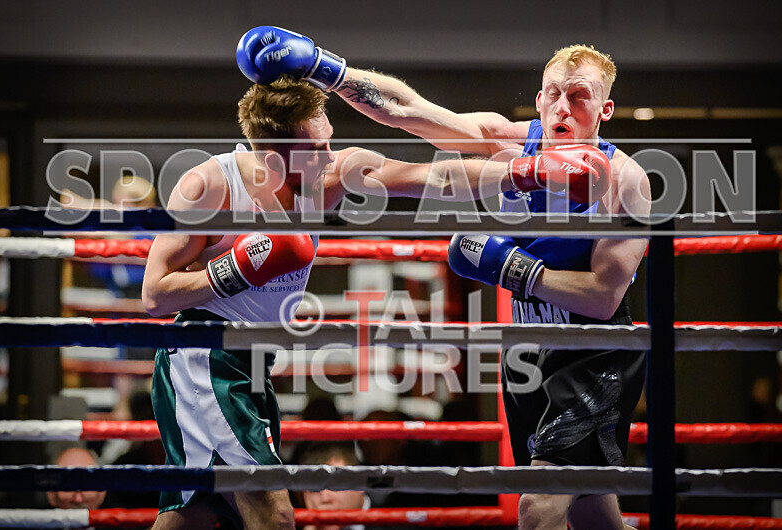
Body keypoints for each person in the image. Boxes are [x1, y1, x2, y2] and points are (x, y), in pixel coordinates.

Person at [237, 29, 650, 529]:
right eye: (555, 94)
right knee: (592, 514)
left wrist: (510, 269)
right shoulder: (509, 145)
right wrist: (328, 68)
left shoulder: (626, 179)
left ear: (604, 109)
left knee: (540, 505)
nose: (564, 107)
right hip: (527, 351)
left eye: (580, 96)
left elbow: (605, 298)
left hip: (592, 354)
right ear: (540, 100)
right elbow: (409, 110)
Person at [141, 77, 590, 530]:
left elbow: (431, 177)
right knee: (272, 513)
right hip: (202, 355)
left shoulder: (330, 174)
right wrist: (234, 268)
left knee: (194, 514)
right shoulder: (209, 185)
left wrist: (525, 172)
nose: (328, 155)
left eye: (327, 141)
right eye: (314, 149)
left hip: (252, 363)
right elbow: (154, 294)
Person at [298, 443, 369, 530]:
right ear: (305, 494)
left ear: (360, 483)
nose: (325, 498)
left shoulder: (388, 518)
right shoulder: (293, 525)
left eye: (335, 485)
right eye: (315, 488)